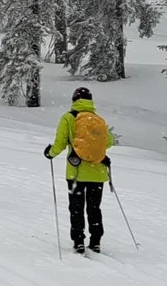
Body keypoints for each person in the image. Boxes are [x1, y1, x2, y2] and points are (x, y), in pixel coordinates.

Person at [45, 86, 115, 253]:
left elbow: (60, 143)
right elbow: (109, 142)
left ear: (74, 100)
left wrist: (50, 153)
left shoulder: (69, 118)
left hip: (76, 173)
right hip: (98, 172)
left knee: (76, 208)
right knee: (94, 208)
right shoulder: (98, 119)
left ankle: (78, 241)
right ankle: (96, 241)